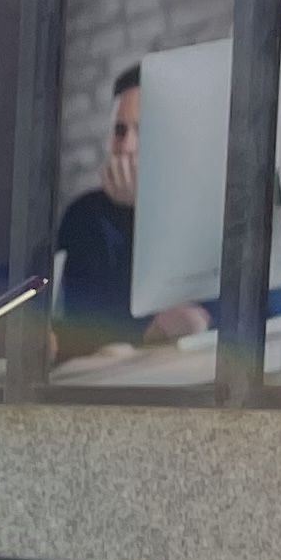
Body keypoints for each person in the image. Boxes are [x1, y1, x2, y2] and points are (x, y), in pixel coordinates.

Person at [50, 66, 210, 362]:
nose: (126, 146)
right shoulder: (85, 216)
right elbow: (91, 326)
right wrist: (132, 215)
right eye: (120, 131)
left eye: (143, 130)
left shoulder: (203, 212)